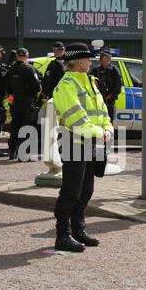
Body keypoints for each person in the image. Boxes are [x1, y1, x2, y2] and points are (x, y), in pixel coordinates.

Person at [52, 43, 113, 252]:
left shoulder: (89, 81)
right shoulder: (66, 85)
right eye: (88, 59)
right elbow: (77, 119)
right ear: (79, 62)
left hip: (92, 143)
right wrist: (102, 133)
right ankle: (63, 235)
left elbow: (103, 111)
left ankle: (78, 229)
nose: (91, 62)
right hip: (74, 143)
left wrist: (108, 128)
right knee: (71, 191)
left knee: (86, 190)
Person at [6, 48, 41, 160]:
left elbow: (7, 87)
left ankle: (12, 151)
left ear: (17, 56)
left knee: (15, 126)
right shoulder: (29, 69)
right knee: (26, 126)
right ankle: (24, 154)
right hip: (27, 101)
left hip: (15, 101)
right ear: (27, 56)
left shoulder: (11, 70)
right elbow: (36, 86)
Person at [90, 50, 122, 123]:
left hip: (109, 102)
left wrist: (108, 97)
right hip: (97, 102)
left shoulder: (114, 71)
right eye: (100, 57)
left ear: (108, 59)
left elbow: (118, 88)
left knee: (108, 123)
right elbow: (89, 80)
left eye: (103, 57)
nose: (100, 58)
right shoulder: (96, 70)